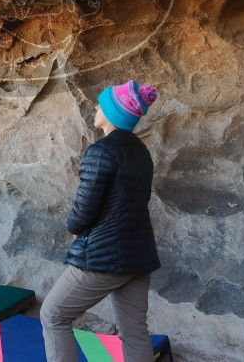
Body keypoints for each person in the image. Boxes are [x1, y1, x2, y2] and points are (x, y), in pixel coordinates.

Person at [40, 80, 161, 362]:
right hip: (139, 256)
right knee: (135, 333)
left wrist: (72, 227)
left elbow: (83, 212)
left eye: (101, 104)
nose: (95, 107)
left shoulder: (101, 151)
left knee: (53, 315)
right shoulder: (142, 153)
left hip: (103, 257)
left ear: (114, 113)